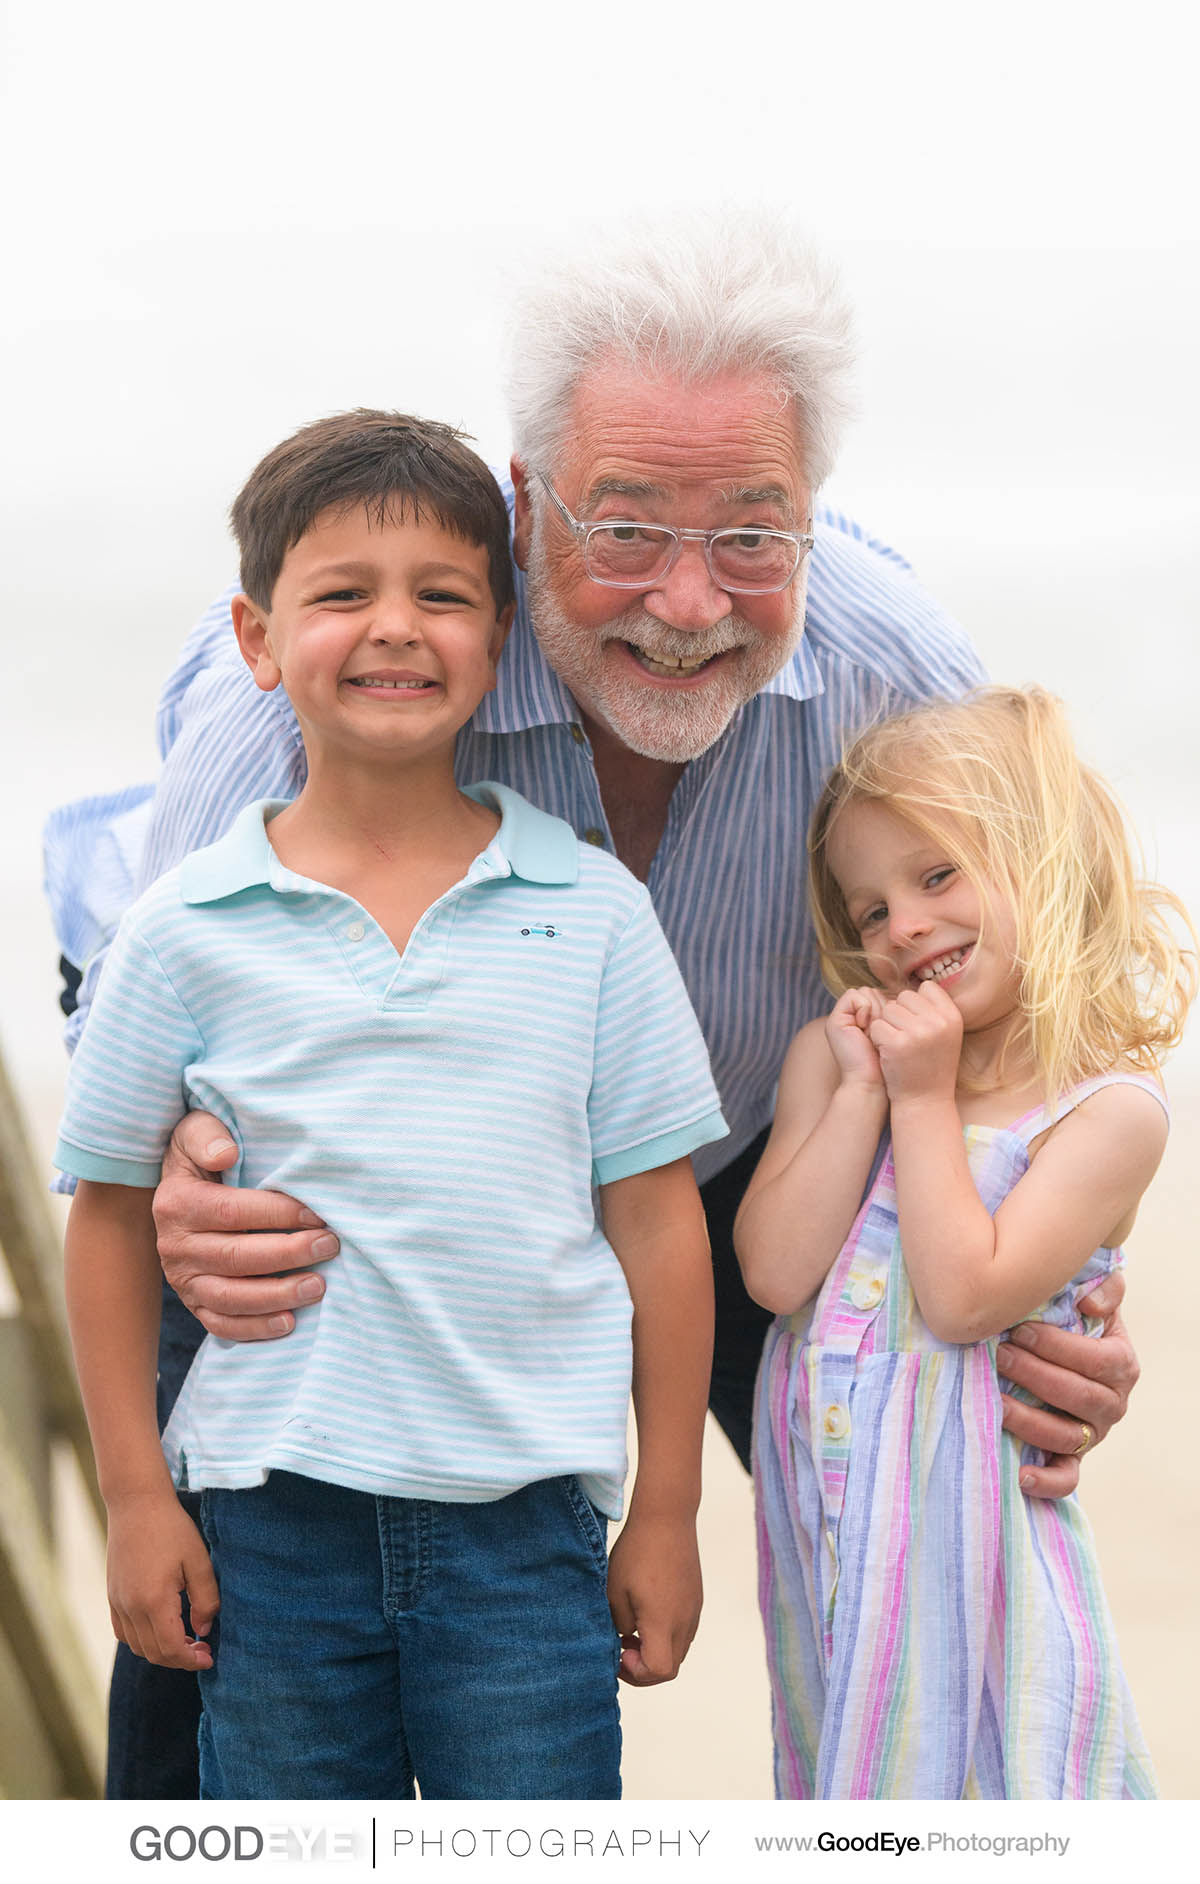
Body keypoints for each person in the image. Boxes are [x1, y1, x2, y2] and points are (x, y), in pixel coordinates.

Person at [53, 214, 1142, 1799]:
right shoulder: (311, 696)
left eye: (756, 533)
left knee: (941, 1480)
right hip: (330, 1194)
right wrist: (175, 1193)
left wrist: (1072, 1293)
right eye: (625, 527)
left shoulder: (897, 676)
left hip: (746, 1162)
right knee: (211, 1653)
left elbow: (1019, 1000)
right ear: (524, 499)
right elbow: (155, 1044)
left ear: (816, 520)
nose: (692, 601)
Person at [55, 410, 727, 1800]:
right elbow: (112, 1219)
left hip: (527, 1537)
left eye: (441, 596)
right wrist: (136, 1500)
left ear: (500, 641)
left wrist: (666, 1507)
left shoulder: (598, 913)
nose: (395, 629)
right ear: (255, 638)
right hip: (268, 1529)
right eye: (342, 594)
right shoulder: (184, 928)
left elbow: (658, 1223)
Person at [736, 687, 1195, 1798]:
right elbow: (775, 1272)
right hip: (831, 1517)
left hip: (968, 1529)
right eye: (869, 911)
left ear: (1042, 861)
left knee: (994, 1767)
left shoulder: (1103, 1113)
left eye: (936, 877)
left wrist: (925, 1100)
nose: (902, 929)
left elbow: (964, 1295)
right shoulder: (832, 1060)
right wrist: (863, 1097)